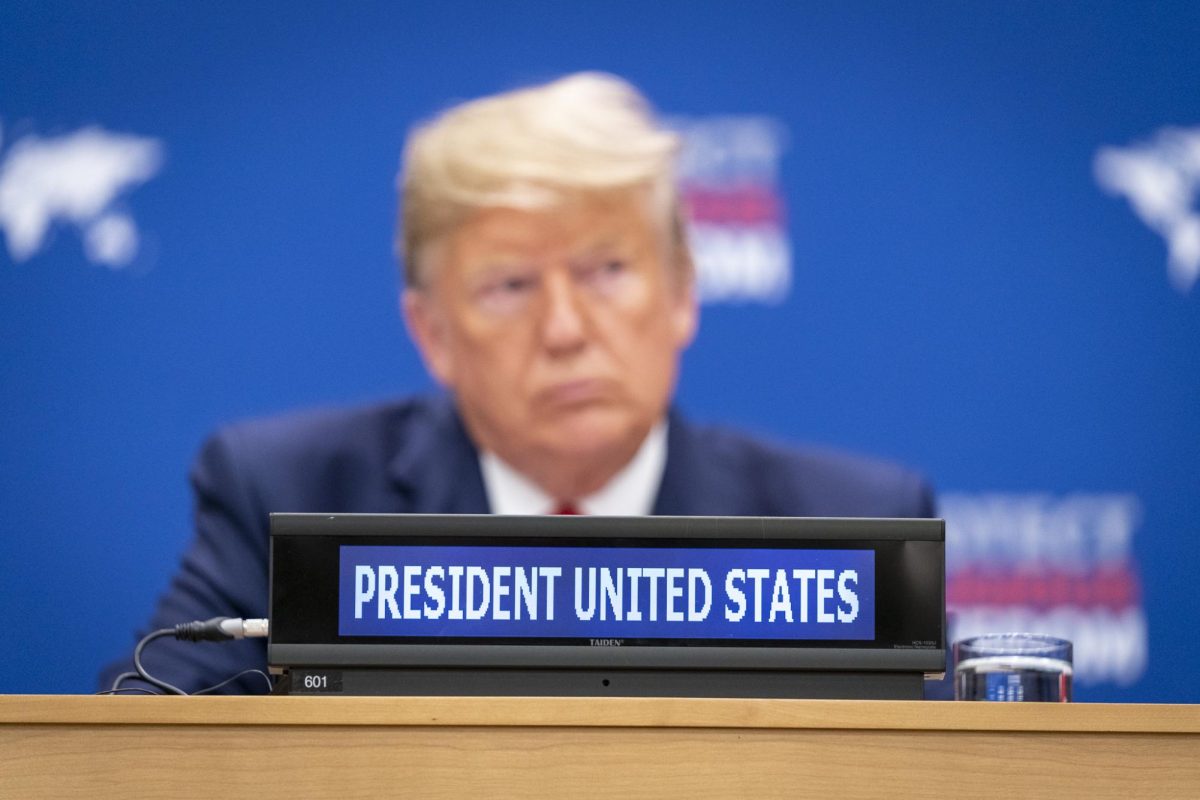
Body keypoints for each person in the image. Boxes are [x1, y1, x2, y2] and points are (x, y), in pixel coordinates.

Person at [99, 73, 934, 694]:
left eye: (606, 270)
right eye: (509, 286)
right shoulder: (285, 495)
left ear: (682, 291)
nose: (565, 330)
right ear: (432, 333)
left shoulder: (851, 535)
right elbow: (146, 747)